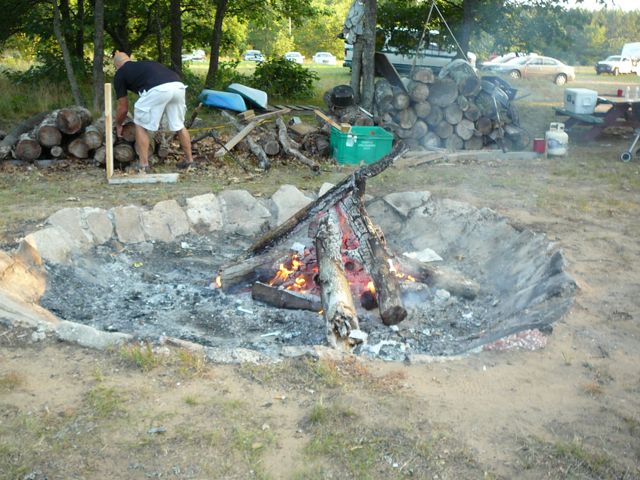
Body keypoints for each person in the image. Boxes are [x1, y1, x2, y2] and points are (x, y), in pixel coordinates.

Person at [112, 51, 193, 172]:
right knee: (179, 125)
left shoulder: (120, 73)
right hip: (178, 86)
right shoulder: (146, 64)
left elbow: (123, 107)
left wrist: (118, 124)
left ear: (116, 66)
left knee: (140, 125)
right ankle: (189, 160)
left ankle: (143, 165)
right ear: (128, 59)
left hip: (158, 89)